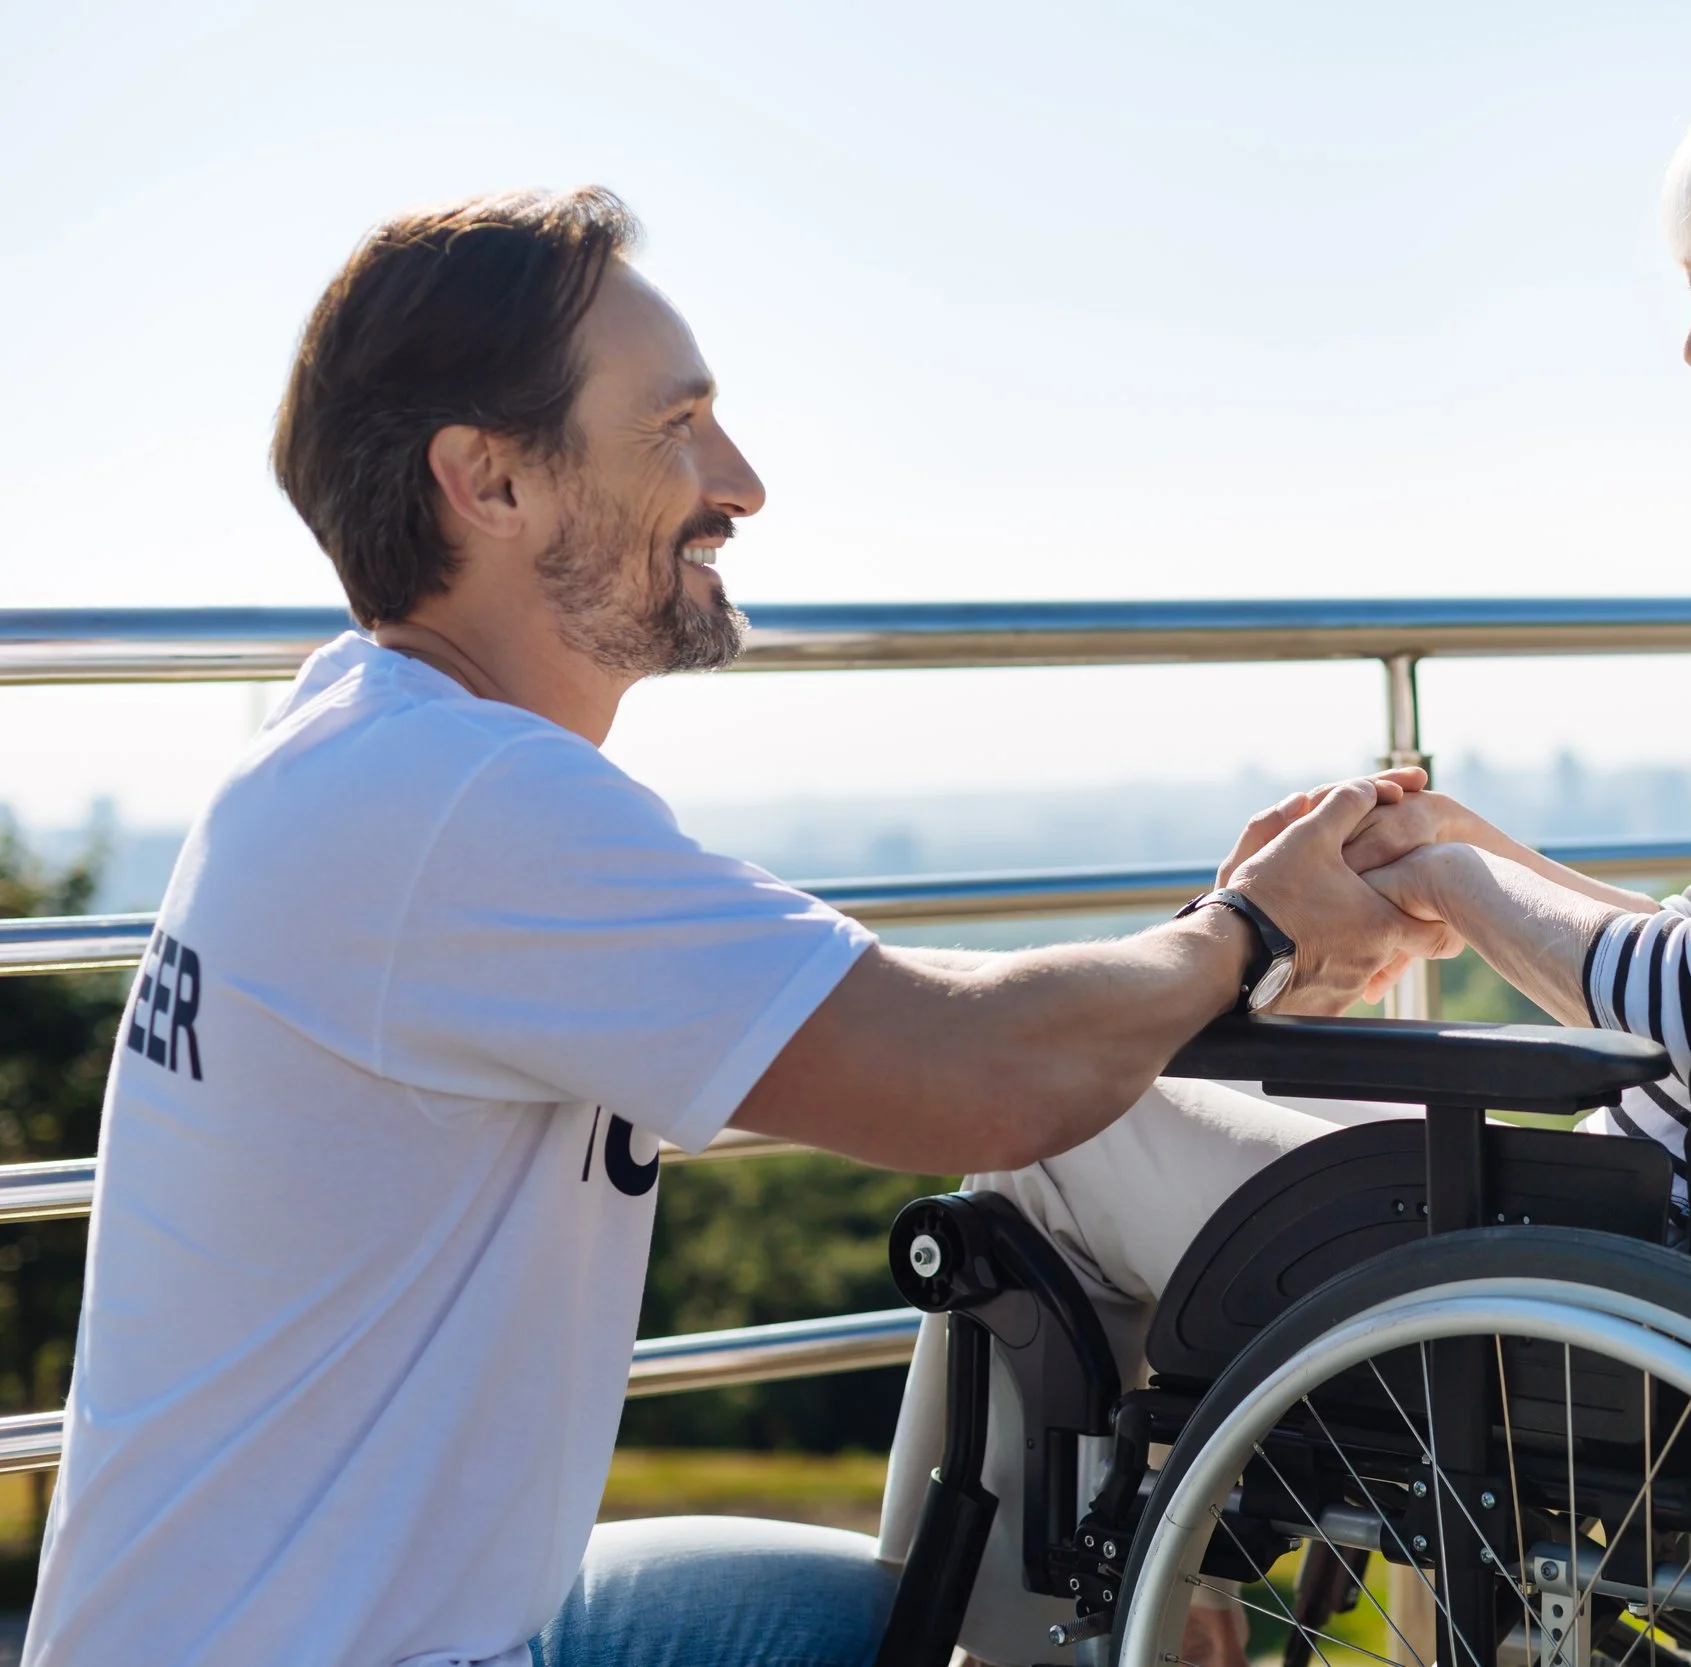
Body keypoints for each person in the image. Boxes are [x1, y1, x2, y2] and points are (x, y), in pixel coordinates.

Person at [23, 189, 1446, 1667]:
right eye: (677, 426)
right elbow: (968, 1068)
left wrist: (1195, 959)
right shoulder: (456, 804)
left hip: (357, 1623)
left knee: (939, 1620)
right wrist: (1248, 932)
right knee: (980, 1642)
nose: (743, 482)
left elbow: (899, 1018)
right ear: (490, 481)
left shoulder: (372, 751)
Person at [884, 51, 1691, 1667]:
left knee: (1048, 1135)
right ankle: (1184, 1594)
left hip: (1654, 1261)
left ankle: (1036, 1630)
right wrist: (1453, 844)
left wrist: (1452, 887)